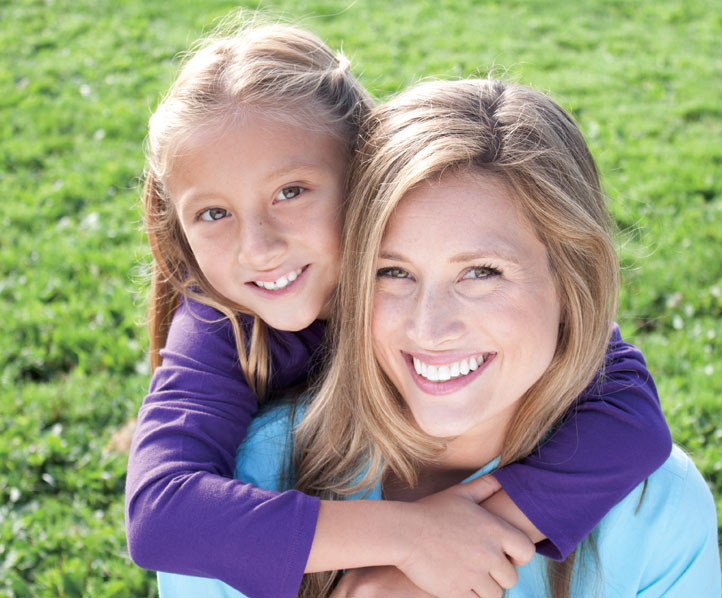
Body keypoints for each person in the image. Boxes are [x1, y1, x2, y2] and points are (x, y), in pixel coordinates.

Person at [126, 15, 673, 598]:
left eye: (291, 192)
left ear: (368, 178)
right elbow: (161, 512)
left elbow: (632, 415)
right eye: (213, 214)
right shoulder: (222, 326)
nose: (258, 247)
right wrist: (407, 538)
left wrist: (474, 535)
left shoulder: (433, 262)